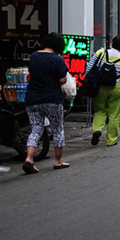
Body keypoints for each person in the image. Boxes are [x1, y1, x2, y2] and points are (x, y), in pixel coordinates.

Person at [21, 32, 70, 173]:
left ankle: (29, 158)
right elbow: (63, 80)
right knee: (57, 129)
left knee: (36, 128)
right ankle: (58, 161)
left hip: (32, 99)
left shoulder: (35, 56)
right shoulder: (57, 59)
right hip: (52, 99)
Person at [86, 35, 120, 148]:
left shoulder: (100, 53)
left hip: (100, 87)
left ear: (111, 44)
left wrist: (88, 82)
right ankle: (111, 140)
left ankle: (97, 130)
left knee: (100, 111)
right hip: (117, 88)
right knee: (115, 115)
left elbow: (89, 68)